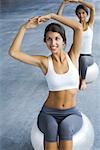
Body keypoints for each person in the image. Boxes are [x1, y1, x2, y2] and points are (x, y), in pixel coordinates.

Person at [9, 13, 83, 150]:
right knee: (51, 127)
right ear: (45, 42)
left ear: (63, 41)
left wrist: (52, 15)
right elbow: (14, 52)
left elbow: (78, 28)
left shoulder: (73, 56)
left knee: (66, 127)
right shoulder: (44, 62)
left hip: (71, 113)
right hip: (49, 113)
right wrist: (24, 28)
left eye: (56, 38)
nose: (53, 43)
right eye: (49, 39)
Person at [57, 0, 95, 90]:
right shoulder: (75, 25)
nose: (81, 15)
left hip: (87, 56)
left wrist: (78, 0)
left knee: (83, 59)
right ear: (76, 15)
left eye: (83, 13)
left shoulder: (90, 24)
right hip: (75, 54)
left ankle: (83, 81)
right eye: (79, 13)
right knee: (62, 60)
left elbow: (92, 8)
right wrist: (63, 3)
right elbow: (58, 16)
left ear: (86, 14)